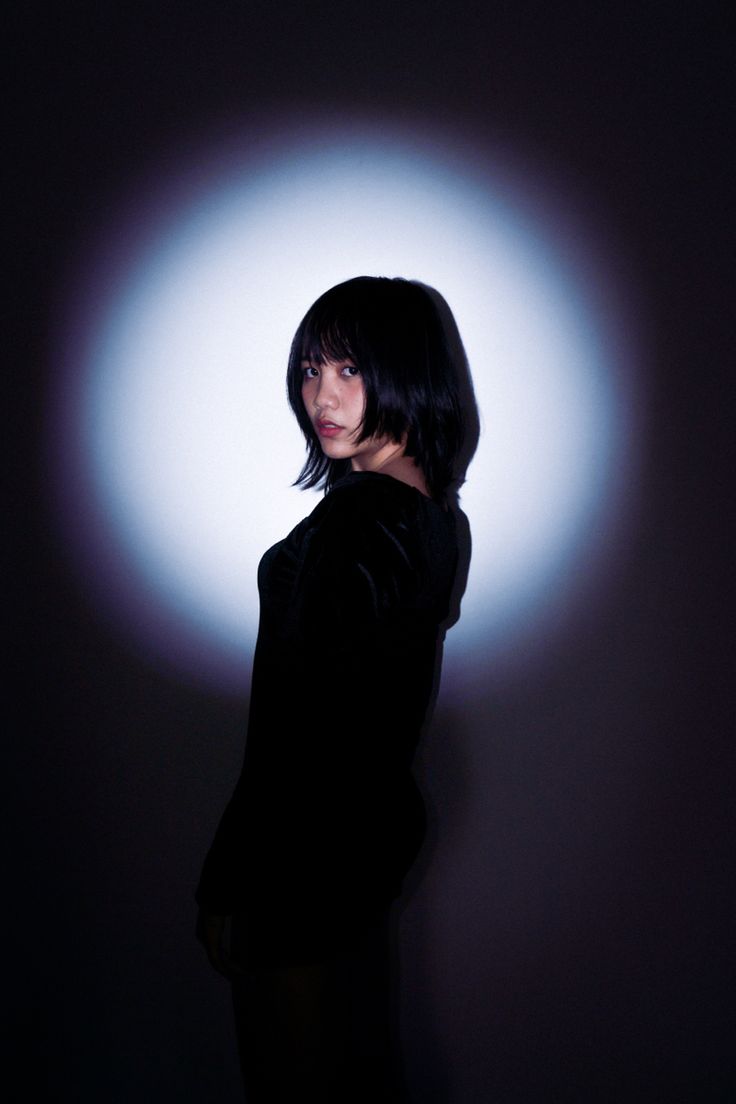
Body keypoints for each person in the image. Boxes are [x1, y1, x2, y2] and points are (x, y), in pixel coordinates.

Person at [196, 275, 466, 1101]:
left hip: (302, 852)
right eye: (312, 370)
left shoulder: (360, 519)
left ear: (407, 370)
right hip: (363, 838)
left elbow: (298, 722)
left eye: (349, 369)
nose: (322, 395)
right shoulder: (438, 516)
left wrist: (226, 875)